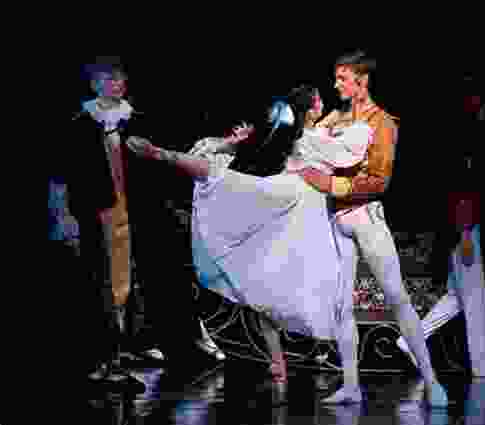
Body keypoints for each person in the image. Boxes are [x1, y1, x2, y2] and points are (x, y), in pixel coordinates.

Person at [126, 84, 372, 403]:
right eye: (319, 101)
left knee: (275, 282)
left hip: (303, 203)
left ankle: (299, 364)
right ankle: (166, 155)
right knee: (226, 185)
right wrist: (232, 142)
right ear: (311, 108)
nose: (323, 104)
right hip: (295, 195)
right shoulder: (304, 135)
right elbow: (341, 152)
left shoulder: (314, 131)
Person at [296, 50, 449, 407]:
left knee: (398, 298)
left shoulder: (383, 122)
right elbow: (307, 151)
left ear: (362, 82)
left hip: (365, 216)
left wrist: (330, 184)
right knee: (341, 306)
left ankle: (431, 381)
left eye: (343, 78)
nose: (336, 84)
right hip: (335, 220)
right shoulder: (333, 118)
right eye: (335, 78)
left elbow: (380, 181)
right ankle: (351, 385)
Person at [62, 57, 223, 385]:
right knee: (109, 283)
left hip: (141, 209)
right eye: (110, 78)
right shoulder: (82, 122)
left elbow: (159, 159)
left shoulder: (136, 119)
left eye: (121, 78)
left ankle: (138, 343)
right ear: (95, 84)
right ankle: (108, 358)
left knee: (142, 277)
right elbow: (67, 173)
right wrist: (67, 216)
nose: (118, 83)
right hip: (102, 212)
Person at [395, 92, 485, 379]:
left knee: (456, 298)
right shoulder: (466, 147)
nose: (484, 108)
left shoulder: (463, 146)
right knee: (473, 297)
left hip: (460, 227)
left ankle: (409, 339)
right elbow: (461, 195)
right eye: (480, 103)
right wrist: (464, 237)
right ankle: (481, 365)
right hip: (464, 228)